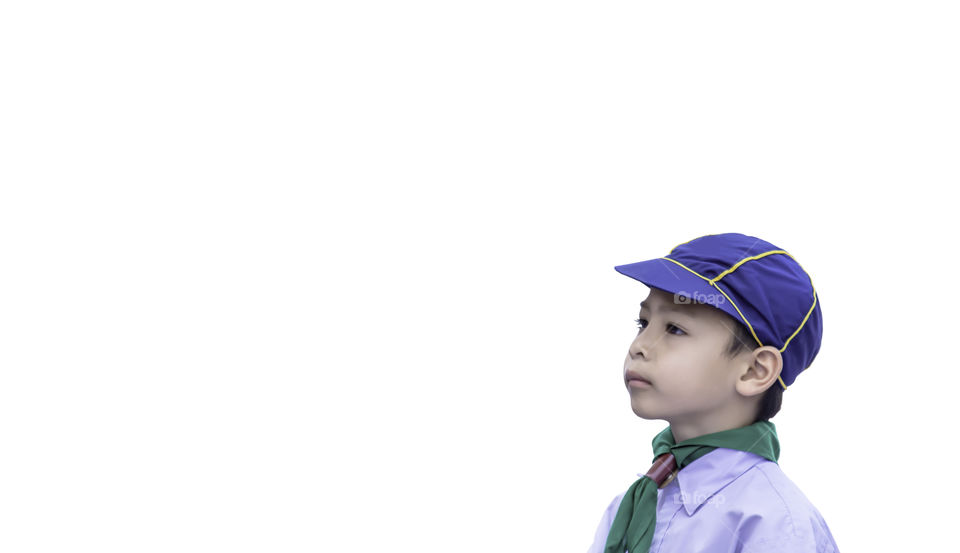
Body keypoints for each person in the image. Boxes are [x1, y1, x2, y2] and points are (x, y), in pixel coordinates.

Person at [588, 232, 840, 553]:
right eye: (643, 323)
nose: (639, 346)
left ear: (755, 371)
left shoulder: (775, 524)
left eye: (675, 329)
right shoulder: (631, 506)